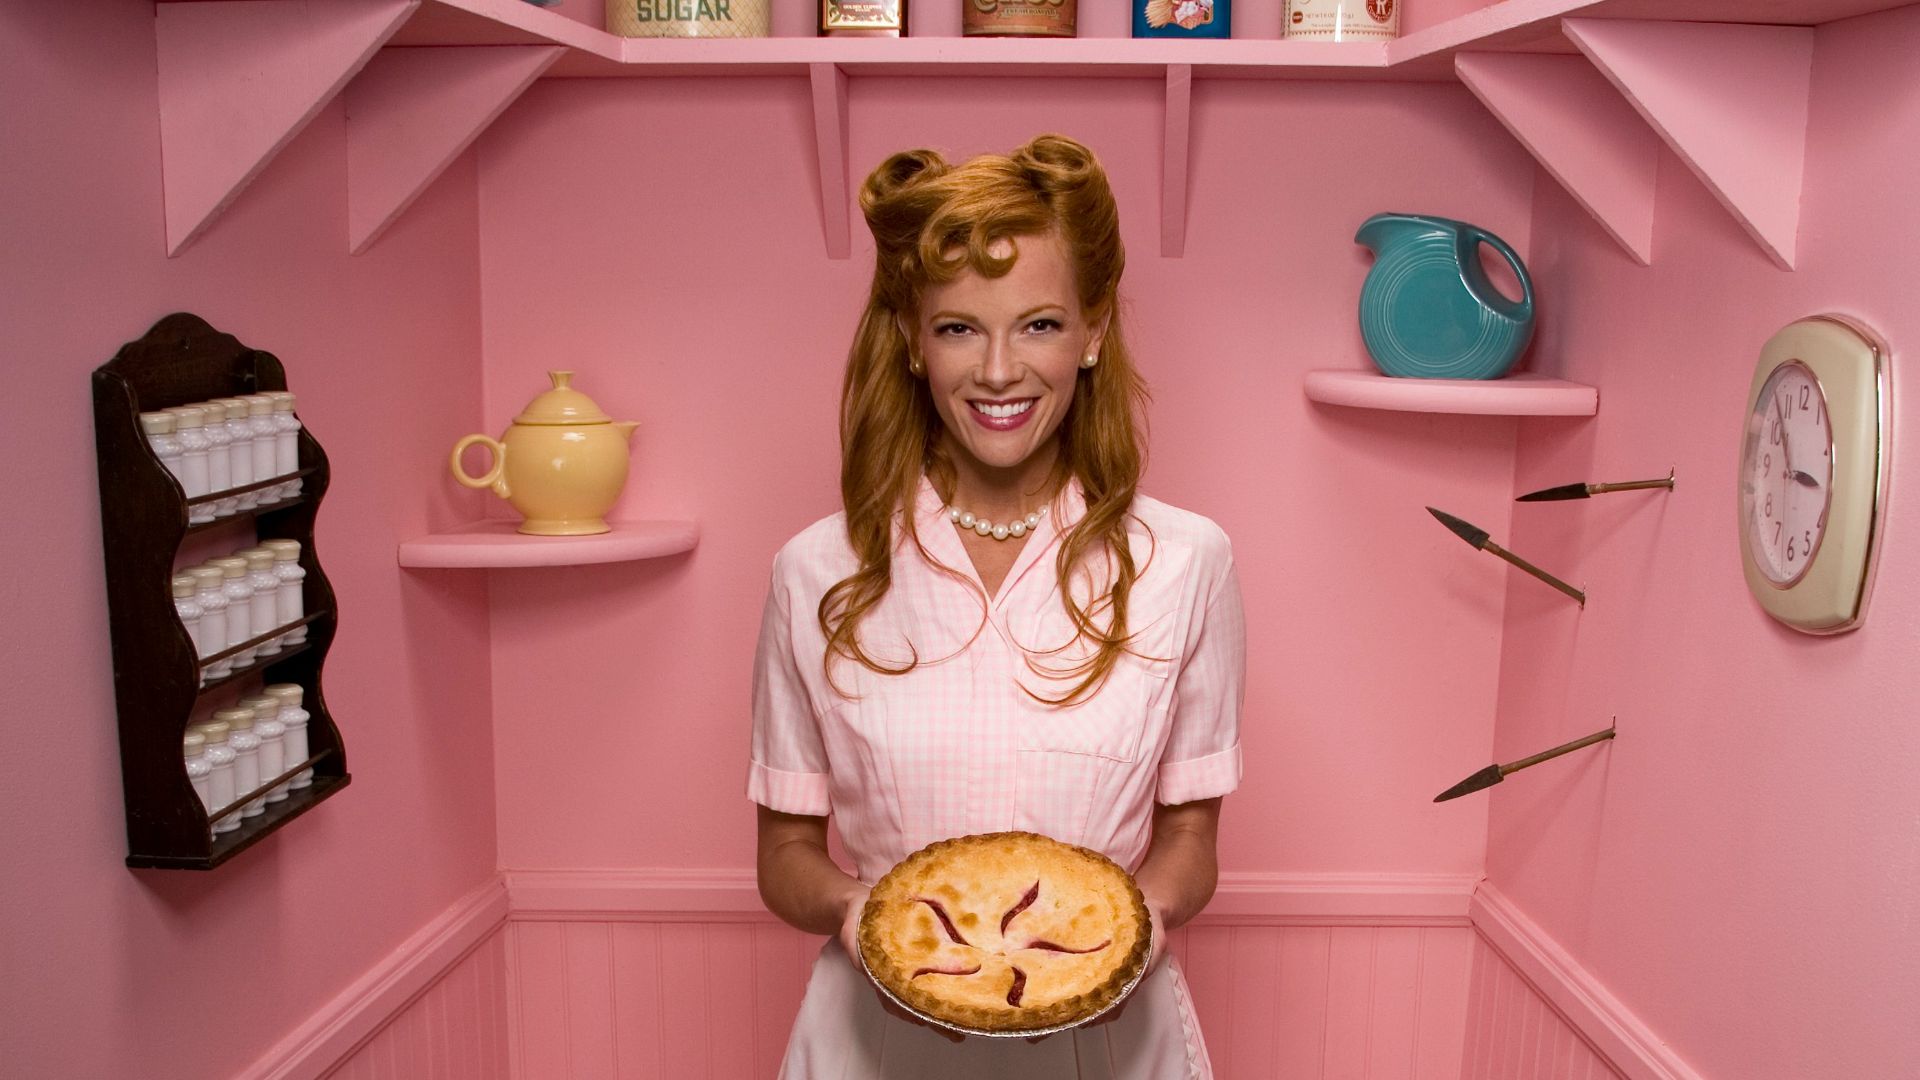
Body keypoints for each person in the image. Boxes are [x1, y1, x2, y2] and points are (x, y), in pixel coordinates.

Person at [749, 133, 1245, 1079]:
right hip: (875, 1041)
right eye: (959, 327)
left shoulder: (1188, 562)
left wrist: (1125, 937)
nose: (1000, 370)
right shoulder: (813, 571)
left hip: (1111, 1044)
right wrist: (860, 917)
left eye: (1040, 325)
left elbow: (1190, 839)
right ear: (909, 337)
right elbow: (784, 854)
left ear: (1094, 331)